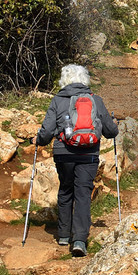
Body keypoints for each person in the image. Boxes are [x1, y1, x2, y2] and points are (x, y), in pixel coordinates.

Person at [33, 64, 117, 257]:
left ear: (64, 81)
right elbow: (111, 131)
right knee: (82, 193)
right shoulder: (95, 99)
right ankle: (79, 239)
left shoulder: (57, 100)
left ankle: (63, 234)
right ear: (85, 80)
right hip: (88, 154)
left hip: (63, 153)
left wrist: (37, 140)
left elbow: (46, 133)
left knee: (66, 189)